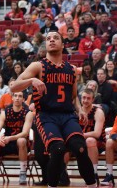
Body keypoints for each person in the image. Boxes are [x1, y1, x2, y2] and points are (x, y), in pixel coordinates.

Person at [11, 31, 97, 188]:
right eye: (48, 38)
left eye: (55, 38)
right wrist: (31, 80)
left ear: (63, 45)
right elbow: (13, 86)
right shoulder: (38, 66)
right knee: (57, 150)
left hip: (67, 116)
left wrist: (80, 110)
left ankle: (92, 185)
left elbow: (73, 97)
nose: (51, 40)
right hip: (46, 116)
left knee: (80, 148)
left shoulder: (71, 69)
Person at [0, 91, 34, 184]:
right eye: (15, 95)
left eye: (20, 96)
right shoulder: (5, 112)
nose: (17, 98)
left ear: (23, 99)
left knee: (21, 140)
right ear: (12, 98)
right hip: (6, 142)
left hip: (20, 144)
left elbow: (25, 133)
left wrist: (10, 138)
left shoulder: (28, 113)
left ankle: (23, 172)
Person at [79, 88, 106, 185]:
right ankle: (62, 174)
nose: (85, 100)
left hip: (98, 143)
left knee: (90, 140)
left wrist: (80, 135)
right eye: (84, 98)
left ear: (93, 99)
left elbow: (97, 133)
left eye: (88, 98)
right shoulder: (76, 111)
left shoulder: (98, 112)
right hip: (80, 141)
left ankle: (94, 173)